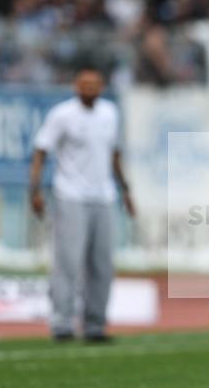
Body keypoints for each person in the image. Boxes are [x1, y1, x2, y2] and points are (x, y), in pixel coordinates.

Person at [28, 68, 136, 342]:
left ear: (100, 88)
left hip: (104, 195)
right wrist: (35, 190)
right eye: (85, 85)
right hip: (71, 194)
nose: (90, 90)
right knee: (68, 261)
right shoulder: (62, 115)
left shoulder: (110, 113)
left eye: (95, 85)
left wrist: (125, 190)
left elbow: (114, 154)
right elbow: (41, 150)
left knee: (102, 264)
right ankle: (62, 322)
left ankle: (95, 324)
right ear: (76, 87)